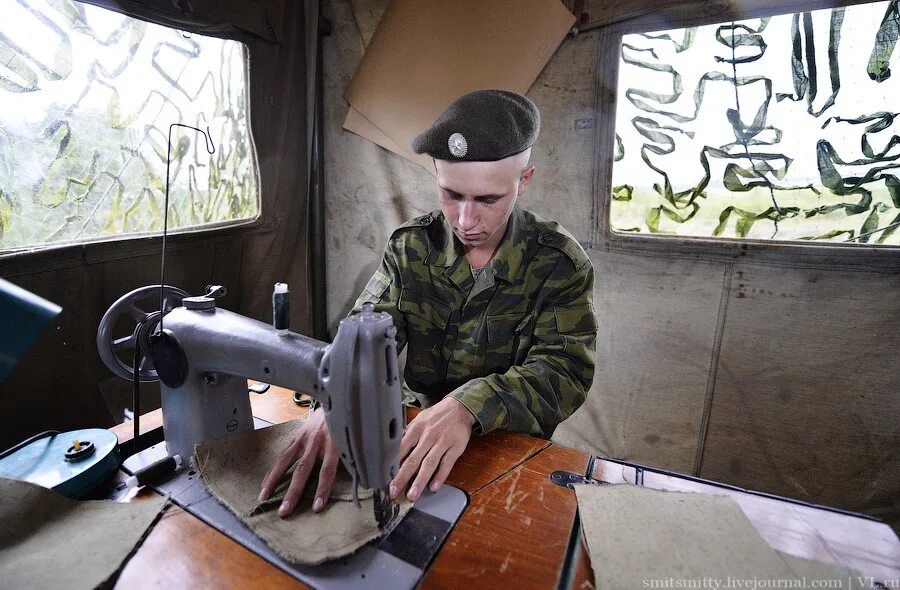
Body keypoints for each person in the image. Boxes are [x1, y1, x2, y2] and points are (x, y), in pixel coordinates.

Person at [259, 89, 597, 517]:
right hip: (416, 431)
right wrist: (339, 395)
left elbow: (564, 371)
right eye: (451, 194)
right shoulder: (412, 247)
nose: (465, 221)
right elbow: (363, 330)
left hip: (508, 446)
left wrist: (468, 406)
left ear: (523, 181)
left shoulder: (558, 263)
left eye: (487, 199)